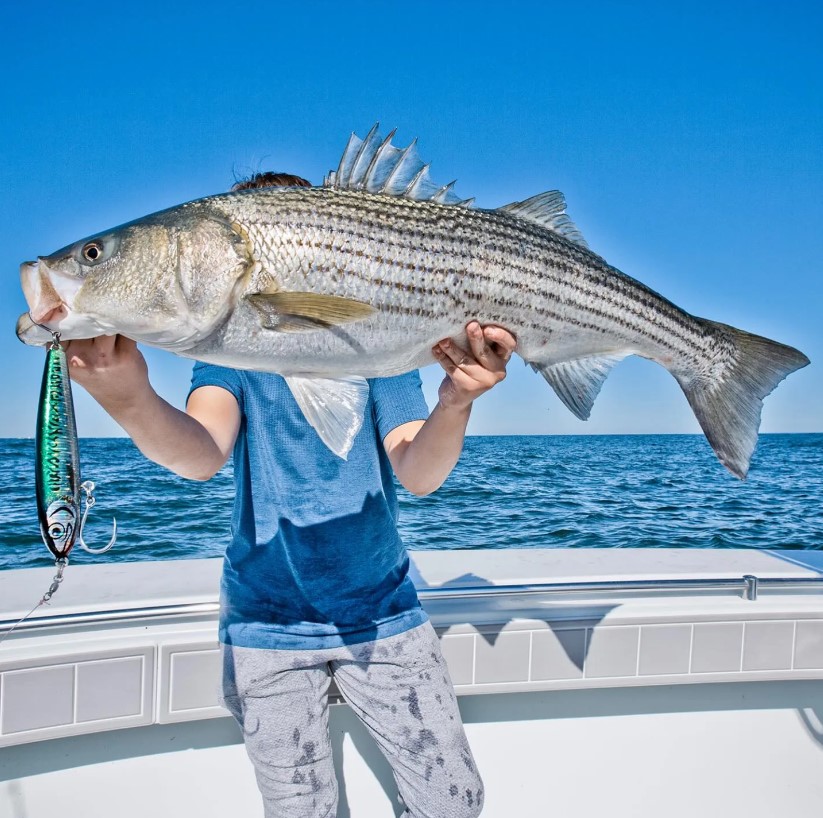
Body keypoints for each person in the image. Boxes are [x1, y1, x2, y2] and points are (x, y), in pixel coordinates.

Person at [65, 170, 517, 818]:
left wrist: (455, 401)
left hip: (383, 610)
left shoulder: (378, 341)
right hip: (264, 623)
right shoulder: (228, 350)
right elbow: (202, 452)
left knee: (456, 803)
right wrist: (128, 398)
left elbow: (418, 471)